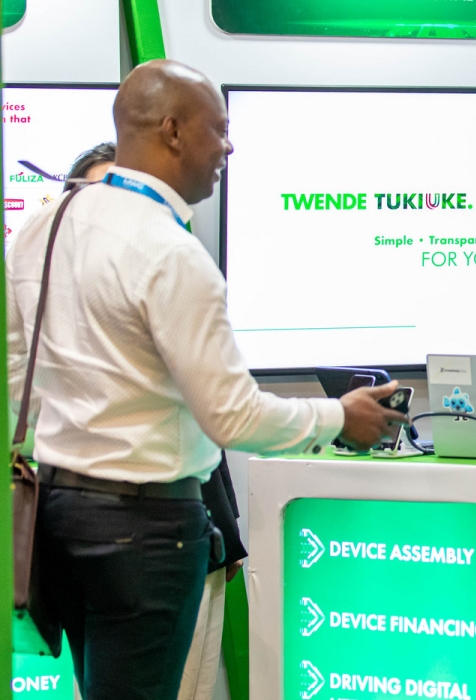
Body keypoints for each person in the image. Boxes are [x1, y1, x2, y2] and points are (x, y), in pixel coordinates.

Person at [6, 60, 405, 699]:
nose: (228, 146)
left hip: (54, 516)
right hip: (146, 532)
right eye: (218, 129)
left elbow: (14, 373)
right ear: (171, 130)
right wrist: (338, 418)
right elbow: (232, 417)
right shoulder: (168, 250)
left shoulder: (41, 229)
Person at [59, 141, 250, 700]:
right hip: (83, 544)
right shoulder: (50, 305)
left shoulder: (166, 280)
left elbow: (216, 410)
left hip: (179, 534)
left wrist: (223, 537)